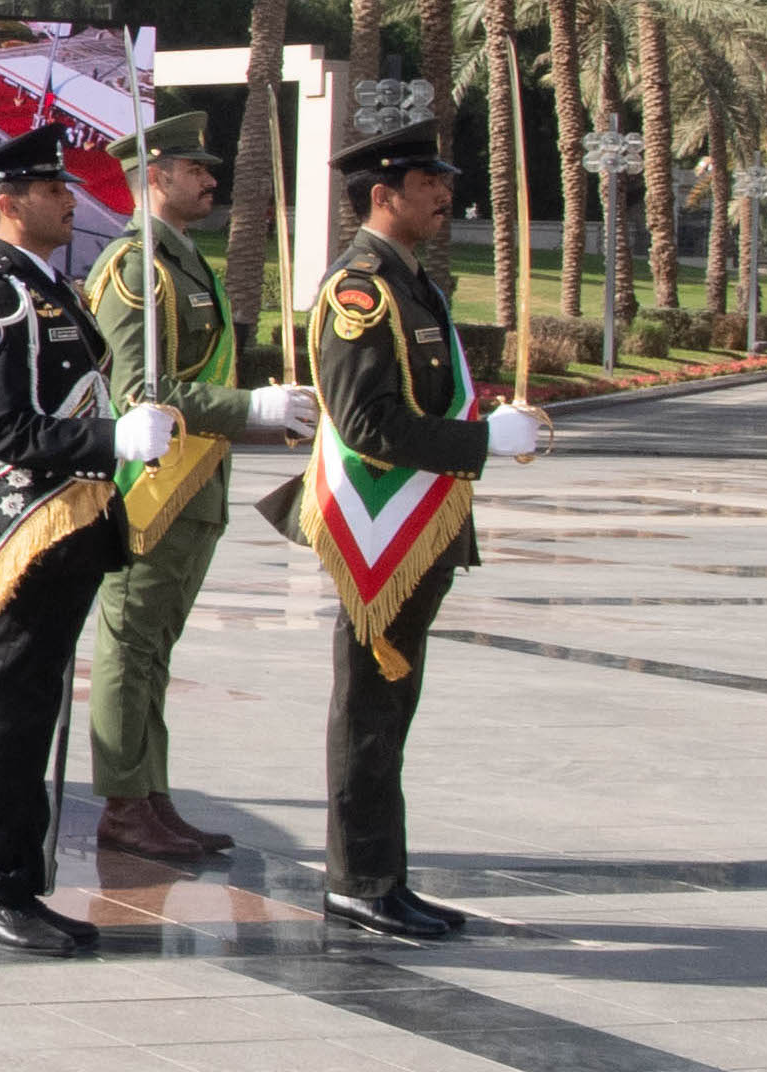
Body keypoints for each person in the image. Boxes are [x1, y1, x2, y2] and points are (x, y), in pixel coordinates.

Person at [0, 121, 175, 957]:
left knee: (35, 715)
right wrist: (110, 439)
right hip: (26, 530)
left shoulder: (48, 288)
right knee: (11, 719)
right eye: (51, 188)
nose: (69, 199)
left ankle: (19, 884)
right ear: (8, 204)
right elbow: (2, 428)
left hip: (72, 527)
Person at [297, 122, 547, 941]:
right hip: (379, 530)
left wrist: (483, 427)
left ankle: (383, 876)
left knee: (389, 711)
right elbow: (366, 422)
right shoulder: (359, 291)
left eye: (443, 180)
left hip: (417, 526)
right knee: (368, 710)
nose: (444, 193)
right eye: (427, 182)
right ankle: (358, 883)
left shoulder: (411, 283)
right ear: (382, 194)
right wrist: (479, 443)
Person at [82, 110, 312, 862]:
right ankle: (124, 804)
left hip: (193, 484)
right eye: (195, 170)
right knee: (129, 646)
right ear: (154, 177)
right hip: (149, 488)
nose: (211, 181)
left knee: (154, 650)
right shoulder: (134, 268)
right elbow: (138, 391)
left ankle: (151, 796)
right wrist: (252, 409)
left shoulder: (181, 261)